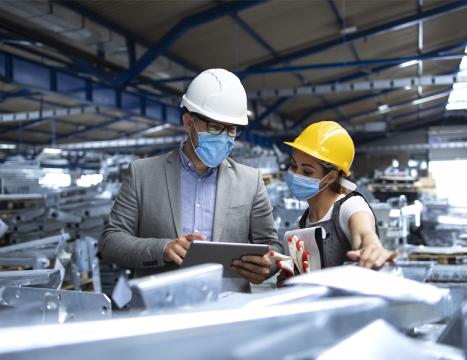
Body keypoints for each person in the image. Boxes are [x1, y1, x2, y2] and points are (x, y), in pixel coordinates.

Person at [100, 68, 283, 291]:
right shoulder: (143, 174)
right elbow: (111, 242)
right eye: (216, 128)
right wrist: (164, 248)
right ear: (189, 123)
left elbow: (272, 246)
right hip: (159, 308)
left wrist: (269, 265)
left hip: (228, 309)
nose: (225, 138)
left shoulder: (251, 181)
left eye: (232, 129)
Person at [279, 121, 397, 275]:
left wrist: (371, 248)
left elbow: (364, 234)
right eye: (294, 166)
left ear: (331, 177)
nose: (296, 175)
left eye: (307, 171)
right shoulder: (303, 221)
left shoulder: (351, 207)